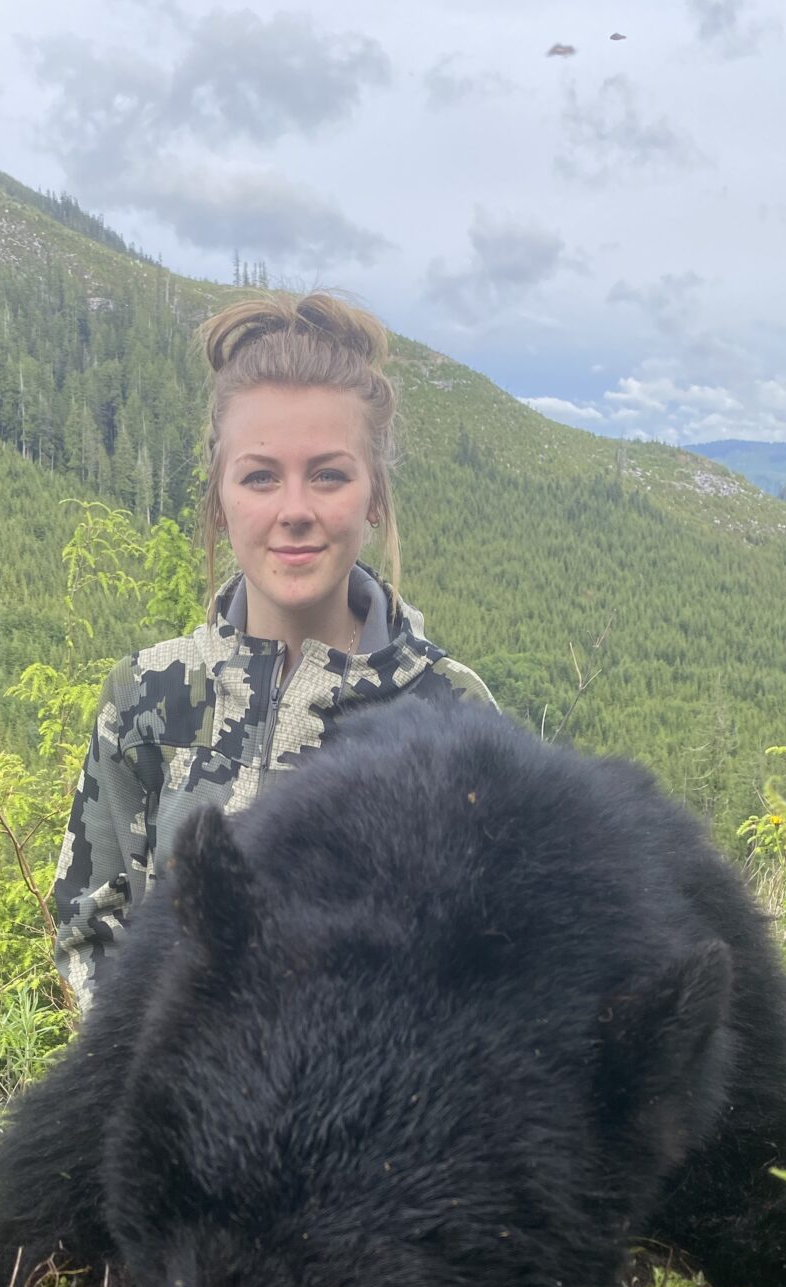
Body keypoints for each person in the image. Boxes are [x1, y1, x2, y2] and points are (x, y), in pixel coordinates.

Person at [52, 290, 495, 1010]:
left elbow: (486, 967)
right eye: (260, 476)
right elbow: (89, 933)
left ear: (373, 495)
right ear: (220, 499)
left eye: (328, 474)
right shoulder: (147, 697)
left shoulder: (451, 711)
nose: (294, 509)